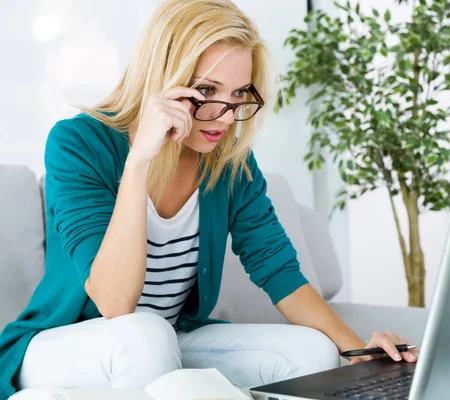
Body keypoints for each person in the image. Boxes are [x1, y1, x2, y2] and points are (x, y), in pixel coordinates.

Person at [0, 0, 417, 398]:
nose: (226, 116)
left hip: (172, 335)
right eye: (206, 91)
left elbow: (278, 269)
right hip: (62, 347)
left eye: (239, 95)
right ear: (162, 78)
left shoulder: (230, 161)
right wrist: (139, 160)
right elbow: (113, 302)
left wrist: (360, 351)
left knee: (312, 350)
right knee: (145, 333)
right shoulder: (79, 143)